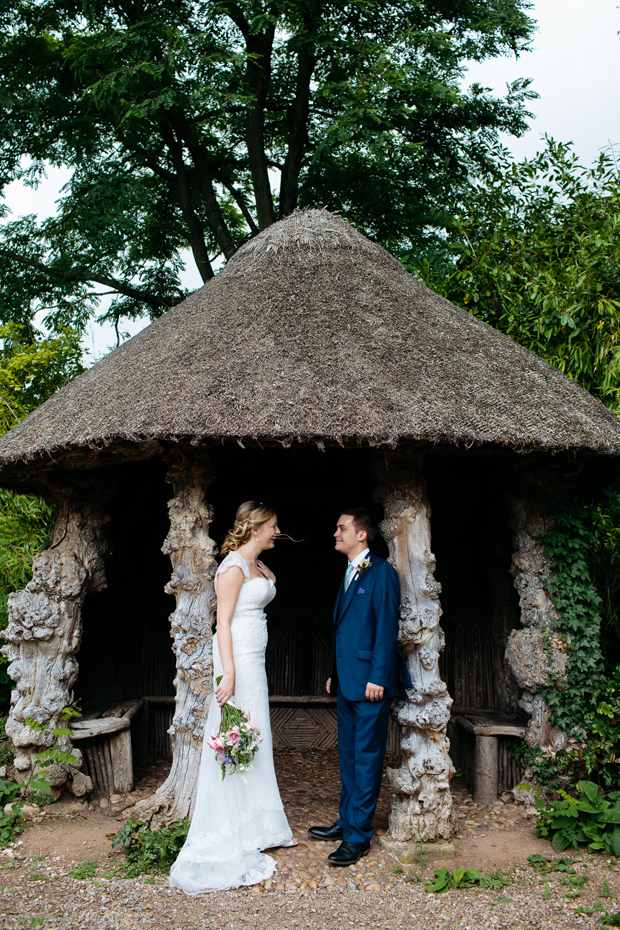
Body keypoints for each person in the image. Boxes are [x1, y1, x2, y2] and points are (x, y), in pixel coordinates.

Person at [169, 501, 296, 894]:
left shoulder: (255, 565)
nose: (278, 531)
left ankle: (260, 823)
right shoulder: (232, 566)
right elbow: (221, 622)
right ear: (256, 528)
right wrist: (230, 671)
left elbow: (257, 597)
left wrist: (268, 580)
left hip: (254, 660)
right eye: (273, 525)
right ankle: (233, 827)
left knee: (255, 738)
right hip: (237, 657)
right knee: (236, 736)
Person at [309, 507, 409, 866]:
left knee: (366, 759)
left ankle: (358, 836)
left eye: (341, 528)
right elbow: (345, 631)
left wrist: (378, 677)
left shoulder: (381, 572)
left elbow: (386, 628)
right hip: (347, 682)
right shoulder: (349, 572)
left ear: (361, 535)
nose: (335, 533)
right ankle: (347, 819)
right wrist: (334, 671)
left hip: (370, 685)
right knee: (349, 756)